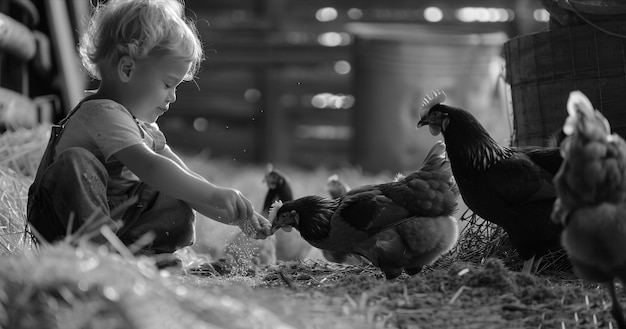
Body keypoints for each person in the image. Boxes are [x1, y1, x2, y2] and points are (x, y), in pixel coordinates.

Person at [26, 0, 271, 258]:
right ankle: (98, 258)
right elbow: (151, 167)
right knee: (77, 164)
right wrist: (214, 194)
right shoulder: (101, 114)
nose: (173, 97)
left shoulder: (143, 127)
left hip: (115, 221)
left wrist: (237, 214)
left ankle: (146, 256)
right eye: (168, 84)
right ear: (127, 69)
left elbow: (185, 179)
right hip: (64, 223)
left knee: (175, 186)